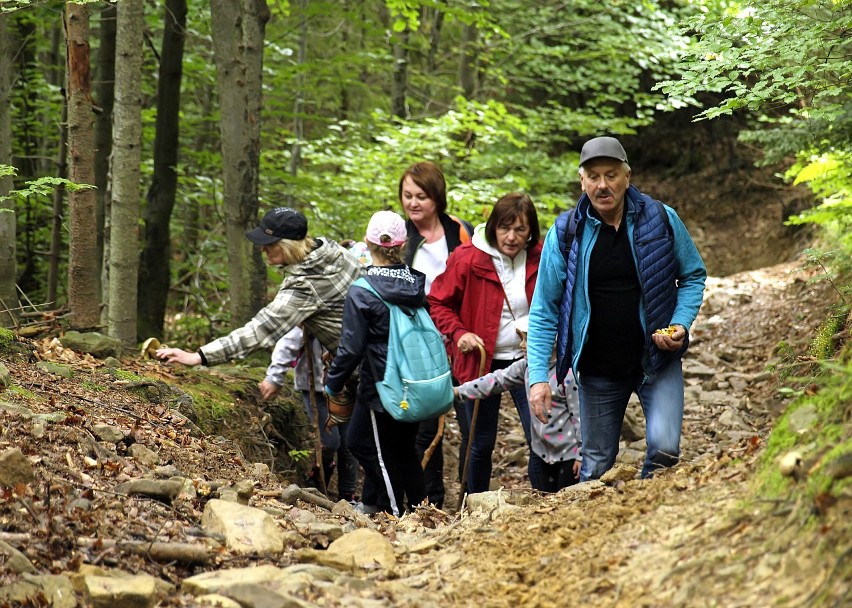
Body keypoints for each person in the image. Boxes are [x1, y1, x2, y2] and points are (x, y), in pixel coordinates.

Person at [527, 136, 707, 481]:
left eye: (611, 175)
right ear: (582, 181)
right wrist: (538, 378)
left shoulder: (660, 219)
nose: (602, 185)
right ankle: (594, 532)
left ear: (627, 177)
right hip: (598, 369)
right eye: (593, 176)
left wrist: (681, 323)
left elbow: (693, 275)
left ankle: (650, 529)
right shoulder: (566, 233)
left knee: (666, 453)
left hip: (657, 360)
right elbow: (544, 310)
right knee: (595, 465)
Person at [156, 206, 364, 379]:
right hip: (379, 356)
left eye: (269, 245)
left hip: (368, 371)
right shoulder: (333, 252)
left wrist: (199, 356)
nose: (263, 250)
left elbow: (260, 331)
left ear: (288, 245)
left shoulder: (304, 286)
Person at [428, 192, 541, 494]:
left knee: (540, 434)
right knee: (480, 442)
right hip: (481, 361)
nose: (512, 237)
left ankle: (548, 497)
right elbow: (438, 302)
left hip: (530, 360)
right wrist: (459, 332)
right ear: (493, 226)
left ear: (531, 231)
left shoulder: (542, 256)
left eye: (520, 229)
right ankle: (472, 503)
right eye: (505, 228)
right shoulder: (468, 258)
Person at [324, 210, 429, 516]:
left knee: (362, 444)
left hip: (382, 384)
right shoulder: (415, 282)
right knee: (404, 449)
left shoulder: (363, 289)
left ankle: (394, 514)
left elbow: (351, 346)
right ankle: (424, 510)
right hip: (414, 381)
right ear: (403, 243)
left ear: (367, 243)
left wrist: (334, 383)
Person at [399, 161, 473, 508]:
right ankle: (429, 500)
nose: (413, 204)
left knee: (471, 421)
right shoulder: (399, 237)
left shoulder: (458, 231)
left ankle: (472, 496)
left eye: (422, 197)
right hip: (418, 344)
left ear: (437, 198)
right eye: (407, 196)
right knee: (426, 426)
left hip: (460, 336)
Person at [453, 318, 581, 492]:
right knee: (542, 495)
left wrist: (582, 455)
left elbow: (580, 416)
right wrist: (459, 392)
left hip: (569, 456)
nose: (521, 345)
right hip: (541, 452)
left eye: (528, 339)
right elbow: (496, 380)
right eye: (521, 338)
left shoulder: (568, 376)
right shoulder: (526, 367)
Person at [261, 327, 359, 503]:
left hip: (346, 388)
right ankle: (317, 480)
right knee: (331, 442)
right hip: (316, 388)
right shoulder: (311, 314)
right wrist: (275, 377)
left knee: (350, 443)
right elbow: (288, 344)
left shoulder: (350, 310)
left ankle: (348, 496)